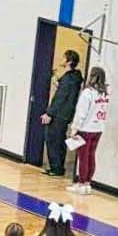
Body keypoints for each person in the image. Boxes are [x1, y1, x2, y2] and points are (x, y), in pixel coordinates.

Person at [40, 49, 83, 177]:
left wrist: (49, 113)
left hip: (59, 114)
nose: (61, 59)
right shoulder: (74, 77)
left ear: (69, 61)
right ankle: (58, 167)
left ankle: (56, 168)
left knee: (53, 140)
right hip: (65, 114)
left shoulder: (69, 79)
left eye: (64, 57)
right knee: (59, 140)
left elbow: (60, 98)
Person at [67, 65, 108, 195]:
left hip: (85, 128)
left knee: (83, 157)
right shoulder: (104, 93)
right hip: (98, 128)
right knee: (91, 155)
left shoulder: (88, 93)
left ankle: (81, 183)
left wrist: (74, 128)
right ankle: (87, 183)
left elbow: (81, 113)